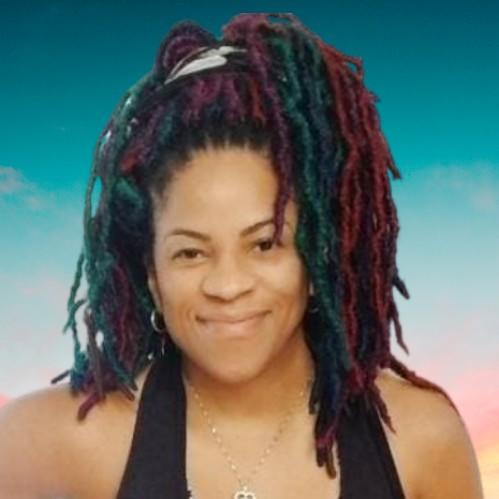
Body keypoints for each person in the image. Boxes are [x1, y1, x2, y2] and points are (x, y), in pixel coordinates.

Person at [0, 12, 483, 499]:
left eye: (264, 243)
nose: (228, 285)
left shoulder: (421, 442)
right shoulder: (59, 442)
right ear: (153, 276)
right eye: (190, 252)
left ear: (315, 256)